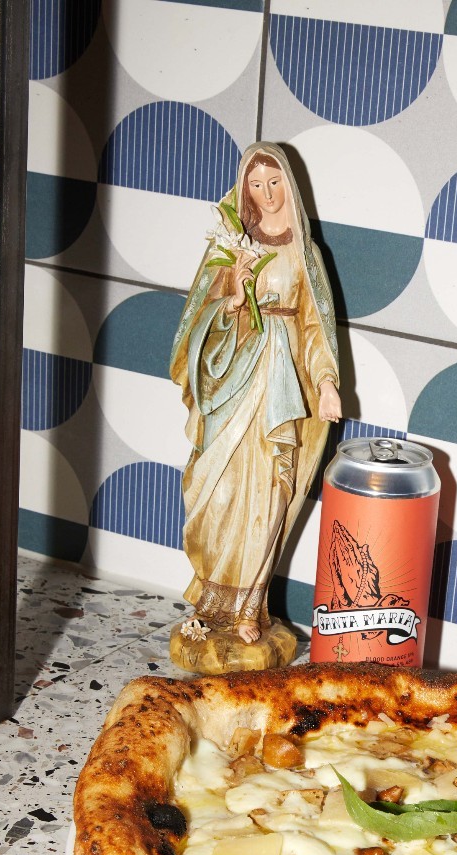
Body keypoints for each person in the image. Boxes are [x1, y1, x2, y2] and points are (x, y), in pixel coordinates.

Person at [170, 142, 341, 646]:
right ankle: (211, 603)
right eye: (256, 183)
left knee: (271, 492)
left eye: (274, 182)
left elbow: (316, 327)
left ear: (288, 184)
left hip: (282, 384)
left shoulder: (305, 254)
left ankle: (250, 607)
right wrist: (233, 294)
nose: (266, 193)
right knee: (219, 489)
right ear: (244, 188)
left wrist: (326, 383)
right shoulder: (230, 247)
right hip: (233, 380)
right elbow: (198, 321)